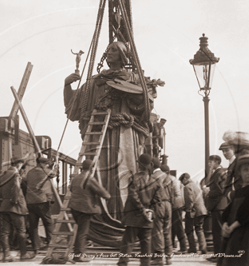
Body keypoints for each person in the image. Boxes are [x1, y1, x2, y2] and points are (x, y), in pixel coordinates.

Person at [64, 41, 162, 241]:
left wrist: (138, 93)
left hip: (125, 136)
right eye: (108, 50)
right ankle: (100, 218)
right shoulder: (94, 82)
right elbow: (75, 110)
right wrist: (67, 85)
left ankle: (125, 219)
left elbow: (144, 108)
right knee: (101, 174)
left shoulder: (135, 78)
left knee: (124, 174)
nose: (109, 52)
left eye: (114, 50)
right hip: (100, 135)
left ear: (124, 55)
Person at [117, 154, 161, 266]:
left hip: (133, 218)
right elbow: (157, 200)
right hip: (147, 220)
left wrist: (142, 211)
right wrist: (149, 211)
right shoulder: (155, 182)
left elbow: (133, 197)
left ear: (139, 164)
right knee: (146, 246)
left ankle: (123, 263)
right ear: (150, 165)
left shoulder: (133, 179)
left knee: (127, 243)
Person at [69, 159, 111, 262]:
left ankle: (79, 252)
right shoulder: (90, 179)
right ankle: (78, 255)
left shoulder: (75, 178)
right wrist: (108, 196)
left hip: (74, 208)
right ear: (92, 168)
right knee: (82, 232)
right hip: (84, 209)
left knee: (81, 231)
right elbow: (104, 194)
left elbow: (71, 189)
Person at [0, 156, 28, 261]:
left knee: (4, 232)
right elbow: (16, 187)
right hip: (16, 206)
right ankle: (23, 254)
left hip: (4, 206)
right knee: (21, 230)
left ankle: (6, 255)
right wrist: (15, 200)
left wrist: (1, 199)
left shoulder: (2, 175)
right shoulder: (16, 174)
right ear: (19, 164)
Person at [24, 157, 57, 259]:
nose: (46, 165)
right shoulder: (45, 171)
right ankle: (51, 247)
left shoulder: (29, 172)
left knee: (33, 226)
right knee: (48, 223)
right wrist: (54, 166)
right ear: (42, 163)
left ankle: (35, 249)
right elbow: (54, 173)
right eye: (45, 163)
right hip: (42, 202)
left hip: (30, 202)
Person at [151, 161, 177, 266]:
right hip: (168, 205)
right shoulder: (167, 176)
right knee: (167, 232)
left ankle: (158, 258)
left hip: (159, 204)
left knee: (157, 232)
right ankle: (168, 257)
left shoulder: (153, 177)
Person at [204, 155, 227, 263]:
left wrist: (209, 192)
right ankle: (217, 254)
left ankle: (219, 256)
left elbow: (221, 190)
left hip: (218, 206)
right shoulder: (217, 172)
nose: (208, 164)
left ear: (216, 162)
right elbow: (207, 183)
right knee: (217, 232)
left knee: (218, 233)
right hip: (218, 206)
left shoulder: (219, 173)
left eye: (210, 162)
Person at [179, 173, 207, 254]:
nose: (182, 183)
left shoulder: (187, 187)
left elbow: (190, 200)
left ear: (184, 179)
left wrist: (187, 210)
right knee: (199, 229)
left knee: (189, 229)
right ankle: (203, 248)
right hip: (202, 210)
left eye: (182, 181)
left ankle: (192, 248)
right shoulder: (195, 185)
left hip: (194, 211)